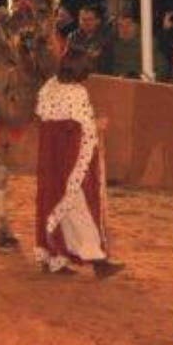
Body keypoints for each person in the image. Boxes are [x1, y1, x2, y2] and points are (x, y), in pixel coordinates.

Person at [34, 46, 123, 278]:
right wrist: (98, 124)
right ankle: (97, 261)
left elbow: (45, 116)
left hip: (51, 157)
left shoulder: (49, 86)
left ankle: (54, 257)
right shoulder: (77, 93)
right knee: (79, 206)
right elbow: (82, 127)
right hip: (71, 159)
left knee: (54, 201)